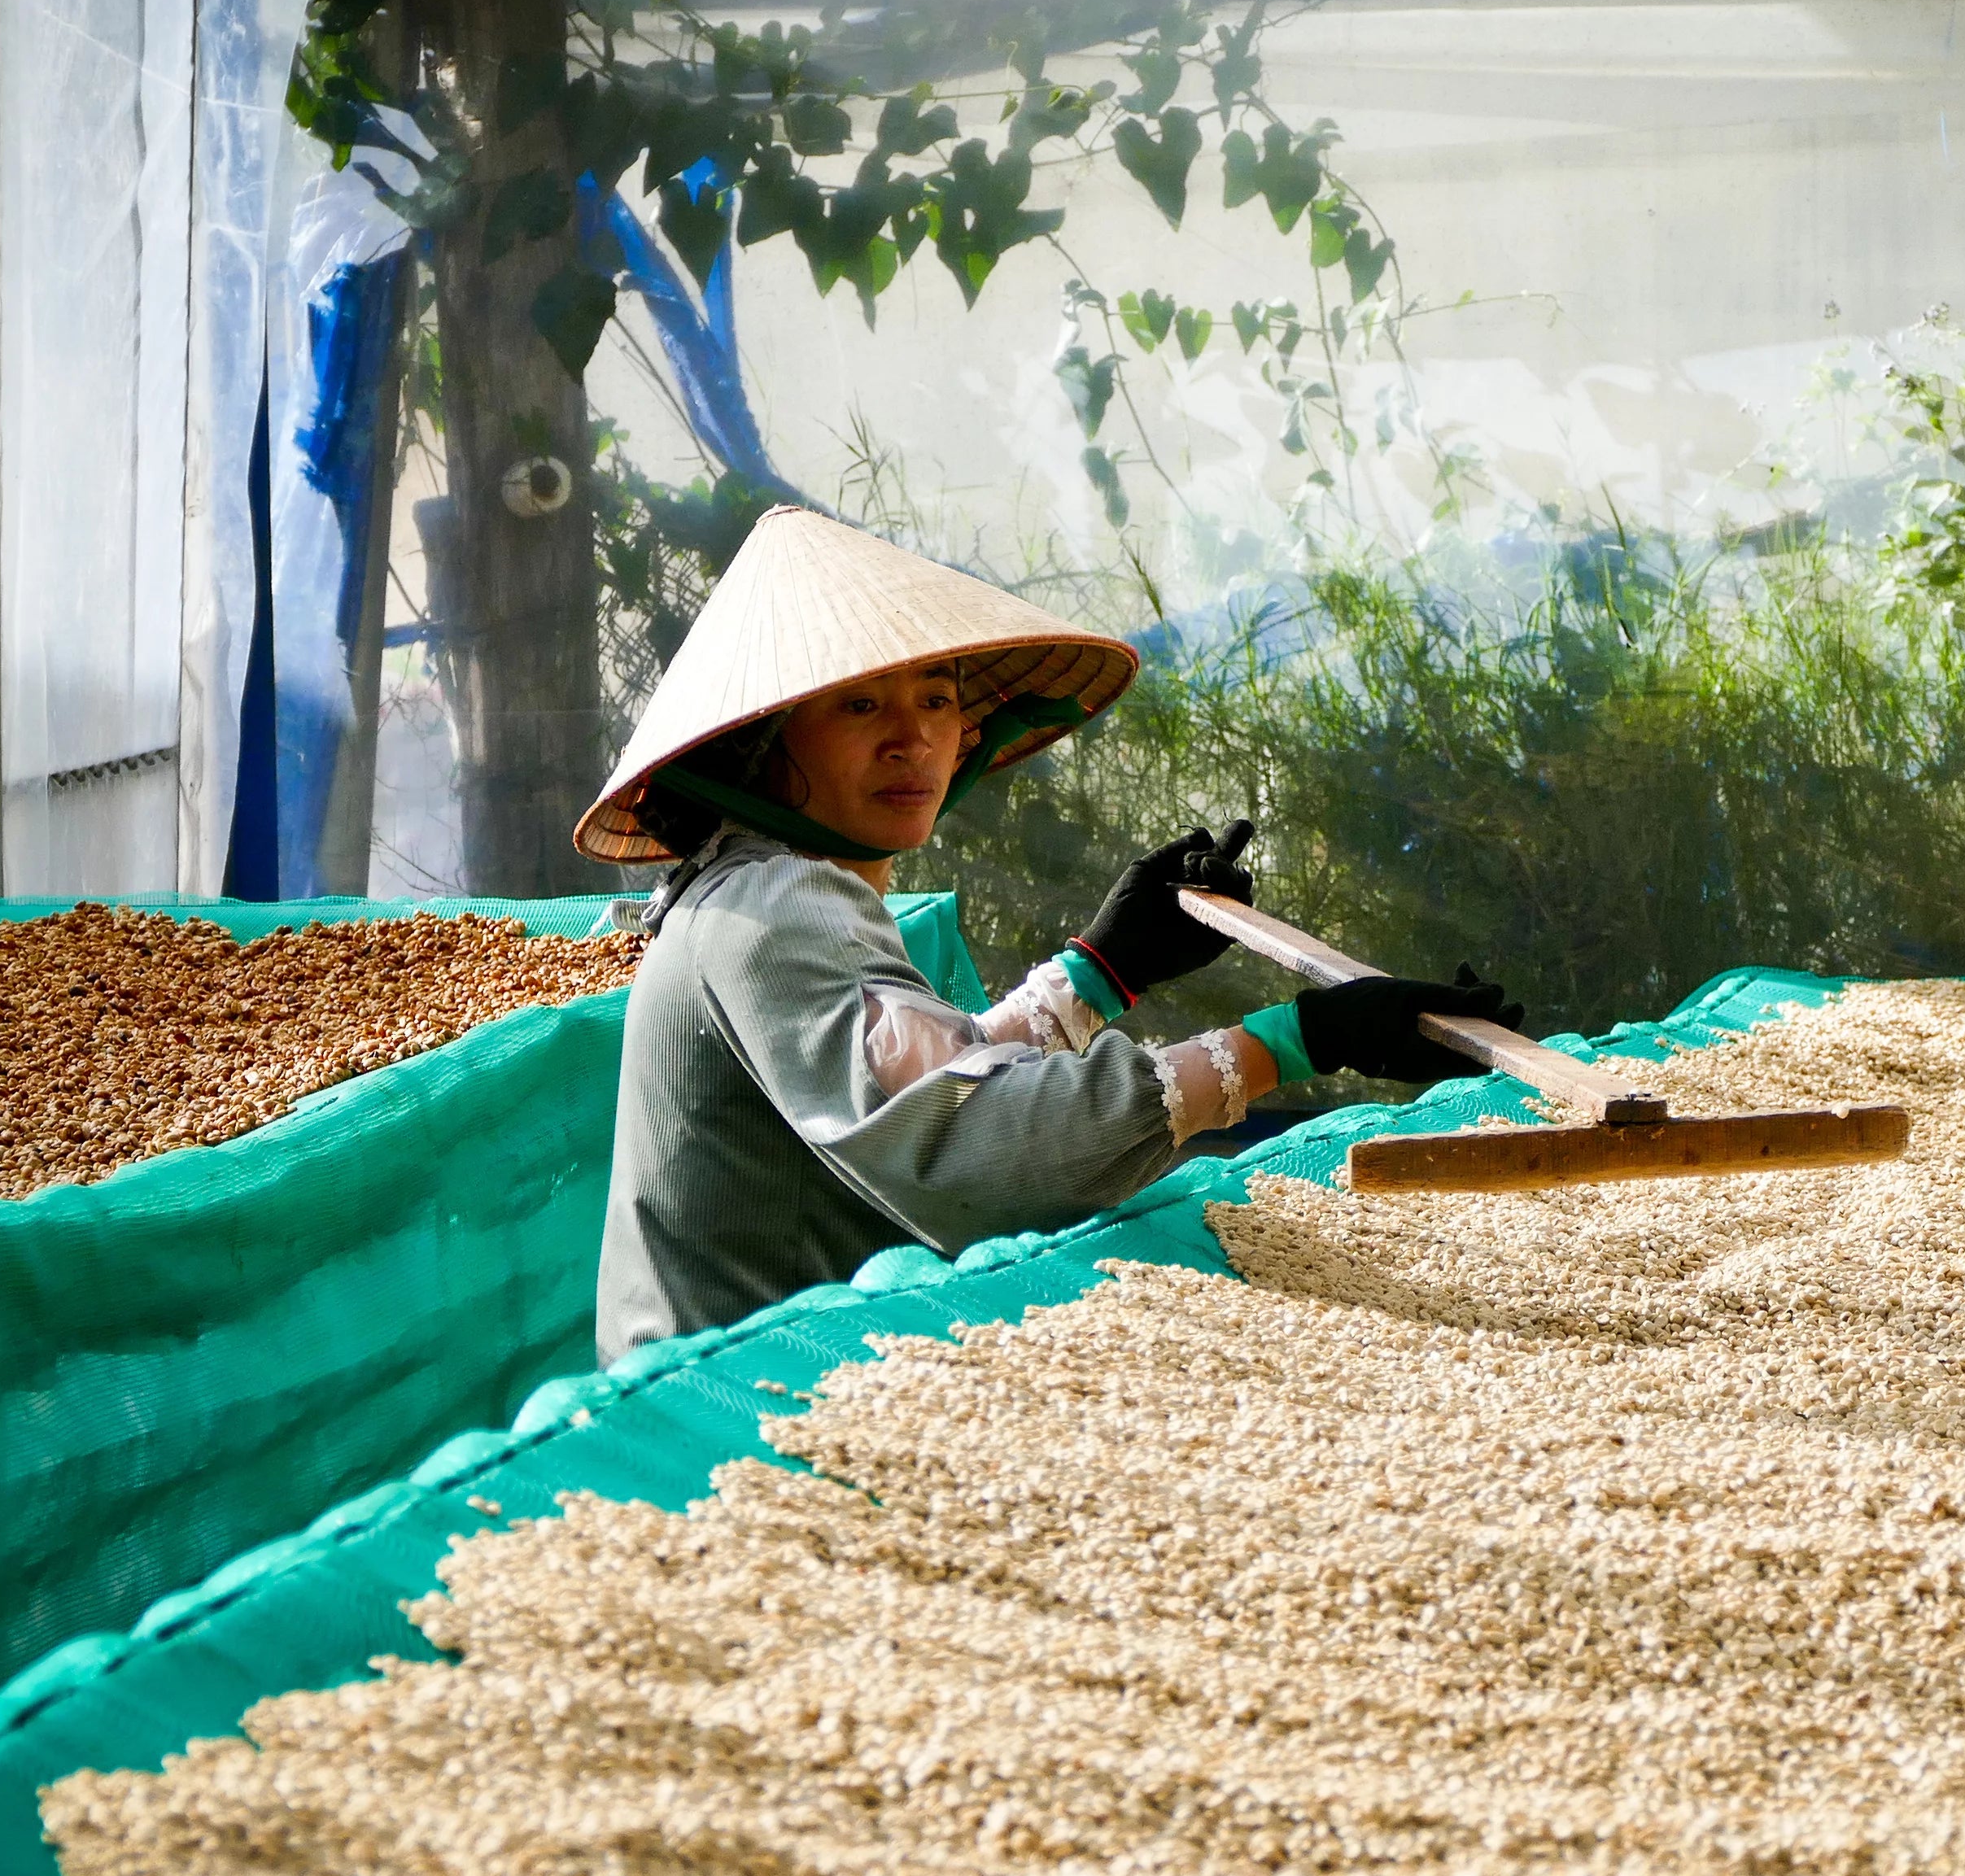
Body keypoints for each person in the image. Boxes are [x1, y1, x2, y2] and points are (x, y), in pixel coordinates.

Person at [576, 506, 1517, 1356]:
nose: (912, 739)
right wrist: (1293, 1041)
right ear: (765, 739)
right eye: (861, 704)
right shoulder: (778, 906)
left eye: (936, 698)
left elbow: (927, 1086)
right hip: (726, 1394)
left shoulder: (764, 885)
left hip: (749, 1364)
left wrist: (1100, 971)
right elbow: (971, 1145)